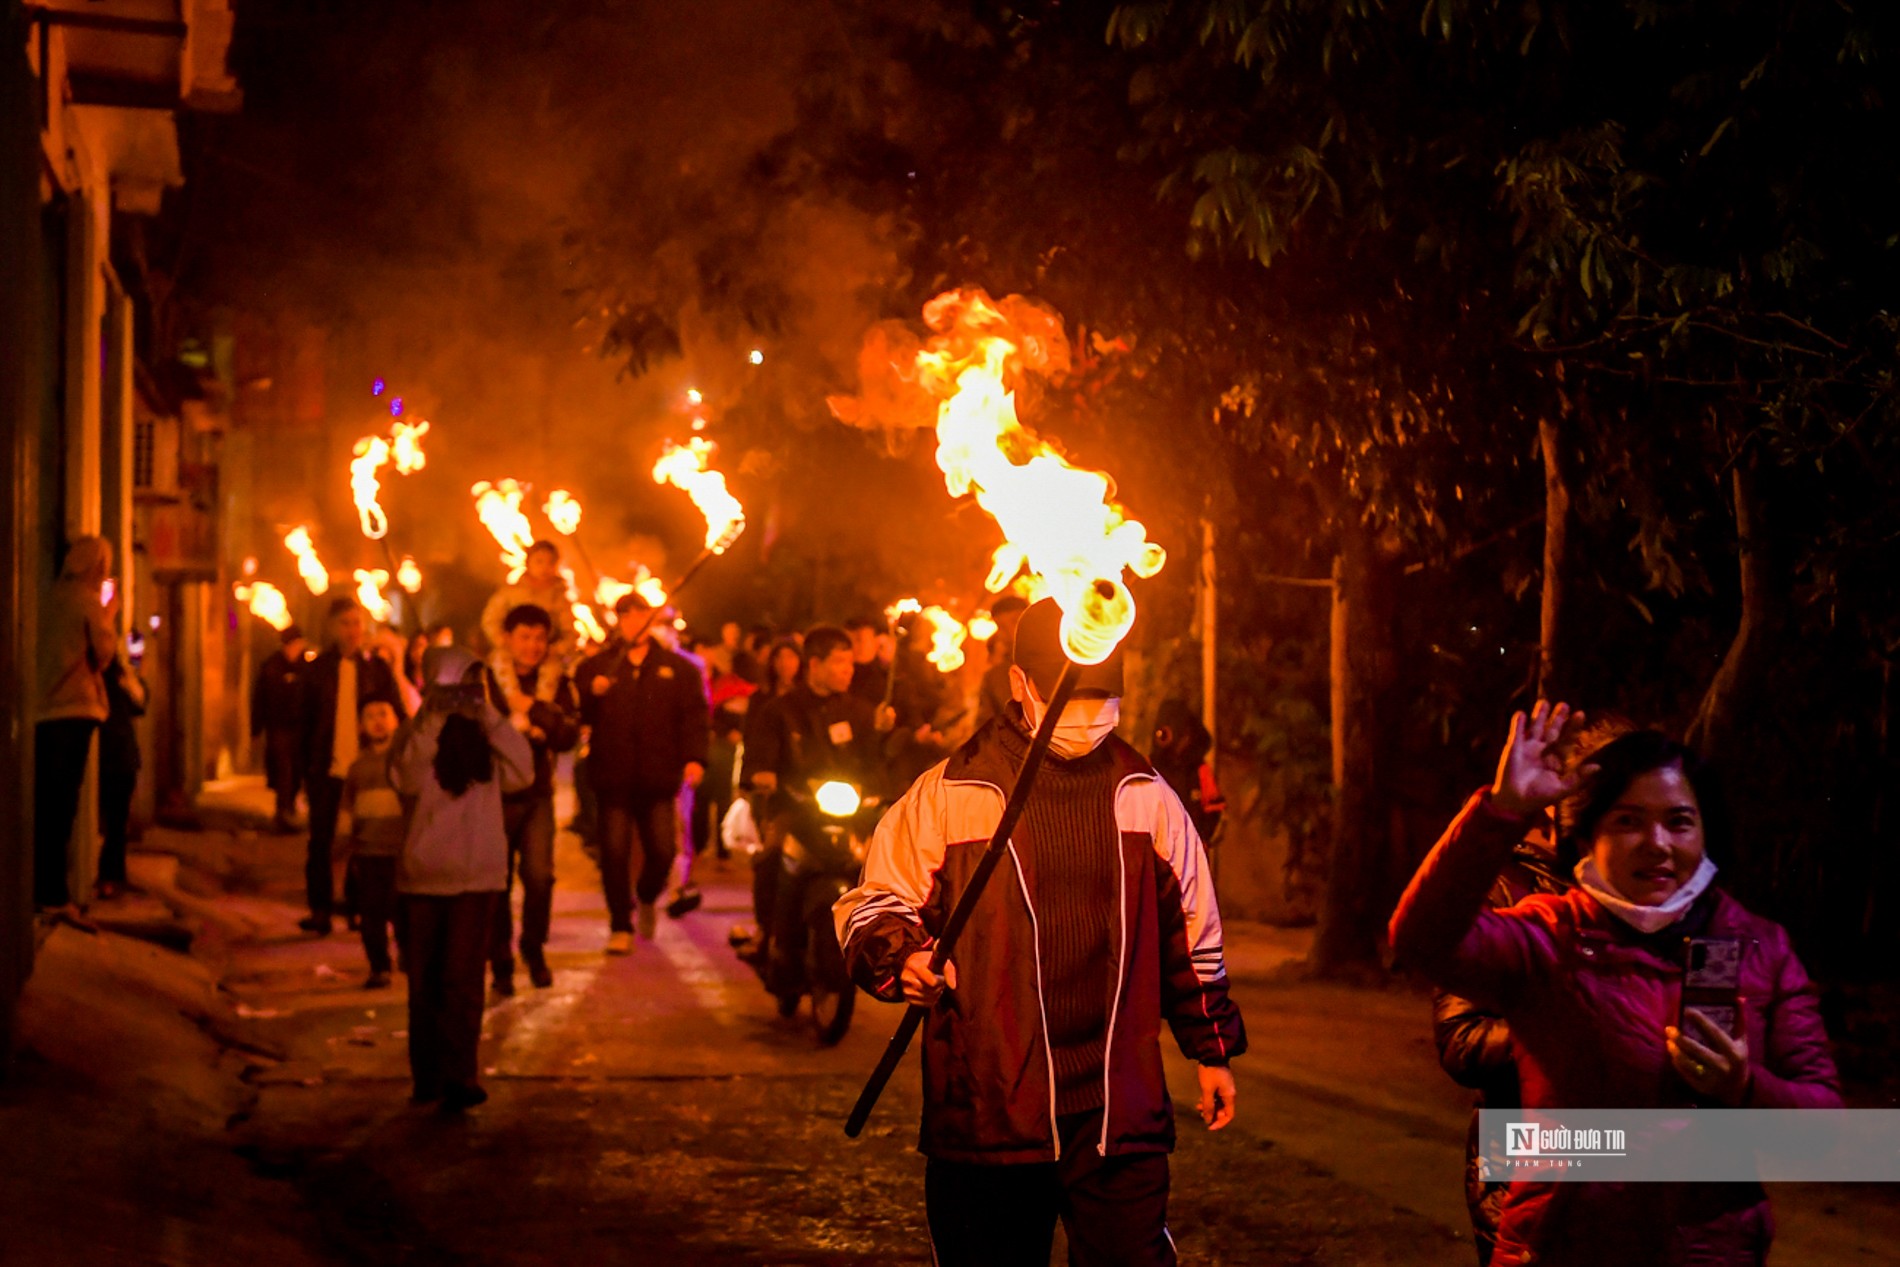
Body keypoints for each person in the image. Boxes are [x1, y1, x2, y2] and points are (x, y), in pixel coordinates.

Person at [834, 598, 1245, 1267]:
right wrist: (901, 956)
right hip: (989, 1113)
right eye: (1071, 695)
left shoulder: (1146, 794)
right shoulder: (951, 792)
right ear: (1021, 683)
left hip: (1119, 1113)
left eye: (1102, 695)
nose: (1090, 713)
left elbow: (1192, 935)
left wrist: (1213, 1047)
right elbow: (872, 901)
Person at [1389, 703, 1842, 1267]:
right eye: (1627, 820)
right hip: (1561, 1247)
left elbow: (1827, 1134)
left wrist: (1744, 1088)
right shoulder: (1545, 933)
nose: (1657, 843)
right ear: (1586, 836)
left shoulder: (1761, 946)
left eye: (1679, 821)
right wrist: (1501, 812)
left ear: (1706, 830)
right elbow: (1421, 939)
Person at [390, 646, 534, 1111]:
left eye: (475, 683)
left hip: (477, 878)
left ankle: (461, 1075)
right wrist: (434, 714)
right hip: (425, 877)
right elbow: (406, 780)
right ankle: (427, 1076)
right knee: (426, 984)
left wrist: (486, 712)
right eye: (458, 684)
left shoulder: (487, 739)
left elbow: (523, 772)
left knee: (465, 981)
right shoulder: (416, 735)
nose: (463, 697)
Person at [738, 625, 892, 967]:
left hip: (850, 813)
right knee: (771, 857)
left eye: (850, 663)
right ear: (815, 664)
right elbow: (759, 757)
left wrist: (885, 742)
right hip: (795, 809)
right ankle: (768, 934)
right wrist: (763, 774)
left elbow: (876, 763)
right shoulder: (780, 710)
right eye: (839, 663)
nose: (847, 670)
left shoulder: (861, 712)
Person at [578, 593, 710, 951]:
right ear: (618, 621)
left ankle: (647, 895)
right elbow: (577, 713)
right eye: (627, 616)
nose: (634, 622)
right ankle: (620, 922)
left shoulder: (678, 669)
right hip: (613, 777)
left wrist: (695, 757)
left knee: (663, 851)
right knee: (614, 852)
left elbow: (694, 717)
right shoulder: (598, 667)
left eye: (641, 616)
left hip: (658, 777)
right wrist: (591, 692)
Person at [483, 603, 581, 994]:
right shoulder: (486, 680)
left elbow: (570, 731)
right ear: (507, 638)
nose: (533, 645)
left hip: (538, 793)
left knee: (540, 877)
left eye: (540, 637)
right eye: (525, 636)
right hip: (494, 795)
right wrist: (509, 731)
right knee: (497, 881)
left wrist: (540, 716)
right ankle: (500, 960)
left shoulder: (556, 680)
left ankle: (533, 947)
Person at [299, 597, 406, 936]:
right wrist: (304, 771)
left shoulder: (376, 669)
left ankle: (359, 907)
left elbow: (397, 714)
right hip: (326, 770)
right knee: (322, 841)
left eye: (358, 623)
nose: (353, 630)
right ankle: (320, 909)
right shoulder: (316, 671)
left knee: (367, 843)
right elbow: (303, 724)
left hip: (367, 772)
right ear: (333, 627)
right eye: (346, 623)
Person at [35, 535, 120, 920]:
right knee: (63, 806)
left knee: (45, 805)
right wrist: (110, 615)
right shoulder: (86, 601)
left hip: (43, 711)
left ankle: (45, 889)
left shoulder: (48, 597)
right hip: (74, 710)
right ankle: (55, 894)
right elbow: (103, 654)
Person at [344, 699, 406, 989]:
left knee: (404, 910)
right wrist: (345, 845)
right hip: (368, 850)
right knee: (371, 913)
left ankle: (409, 955)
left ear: (396, 720)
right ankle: (378, 966)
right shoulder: (357, 768)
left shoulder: (408, 762)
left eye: (383, 714)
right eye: (369, 716)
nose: (378, 721)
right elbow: (347, 810)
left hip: (402, 850)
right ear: (361, 726)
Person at [95, 647, 148, 901]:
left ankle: (111, 876)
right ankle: (109, 876)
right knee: (115, 822)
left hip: (116, 759)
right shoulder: (110, 681)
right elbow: (140, 702)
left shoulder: (112, 681)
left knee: (114, 822)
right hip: (115, 759)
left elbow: (140, 703)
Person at [252, 625, 311, 832]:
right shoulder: (272, 666)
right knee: (282, 769)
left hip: (302, 728)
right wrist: (256, 729)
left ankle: (290, 807)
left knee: (297, 770)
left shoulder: (307, 667)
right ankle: (283, 811)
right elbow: (260, 699)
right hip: (279, 727)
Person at [1148, 698, 1225, 845]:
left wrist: (1200, 839)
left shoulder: (1199, 770)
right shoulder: (1148, 768)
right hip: (1156, 861)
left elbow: (1216, 813)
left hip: (1192, 861)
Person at [480, 540, 573, 652]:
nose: (545, 567)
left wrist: (556, 650)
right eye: (539, 561)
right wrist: (503, 642)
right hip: (511, 655)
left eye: (551, 563)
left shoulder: (559, 598)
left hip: (545, 656)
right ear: (528, 563)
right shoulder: (510, 593)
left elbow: (569, 633)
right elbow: (491, 620)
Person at [972, 594, 1028, 731]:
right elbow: (985, 730)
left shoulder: (1063, 664)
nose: (1005, 634)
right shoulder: (995, 678)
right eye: (1000, 627)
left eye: (1015, 621)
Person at [844, 615, 889, 704]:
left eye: (859, 640)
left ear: (876, 642)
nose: (853, 646)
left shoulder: (890, 678)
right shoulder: (840, 677)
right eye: (848, 641)